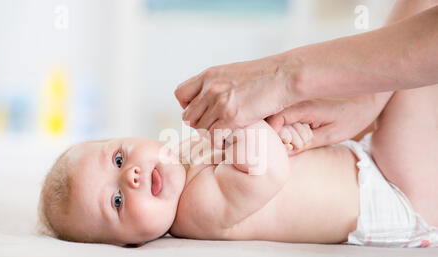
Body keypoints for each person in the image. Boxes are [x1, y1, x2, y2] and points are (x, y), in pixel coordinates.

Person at [174, 0, 438, 230]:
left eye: (129, 154)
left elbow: (261, 152)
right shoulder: (191, 211)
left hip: (375, 168)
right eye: (128, 207)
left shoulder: (180, 163)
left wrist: (282, 132)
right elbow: (265, 170)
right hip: (394, 196)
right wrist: (248, 123)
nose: (132, 176)